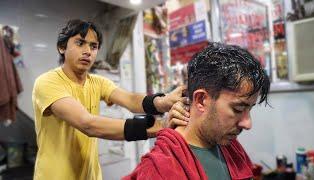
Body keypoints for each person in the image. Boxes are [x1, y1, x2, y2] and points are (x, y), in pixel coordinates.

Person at [32, 19, 189, 180]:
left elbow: (131, 100)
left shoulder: (97, 82)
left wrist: (164, 102)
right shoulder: (47, 82)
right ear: (62, 47)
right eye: (80, 43)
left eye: (93, 46)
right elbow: (87, 124)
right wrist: (160, 126)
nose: (88, 51)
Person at [124, 42, 270, 180]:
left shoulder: (231, 149)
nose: (248, 124)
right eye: (238, 109)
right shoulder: (158, 170)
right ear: (201, 100)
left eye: (249, 109)